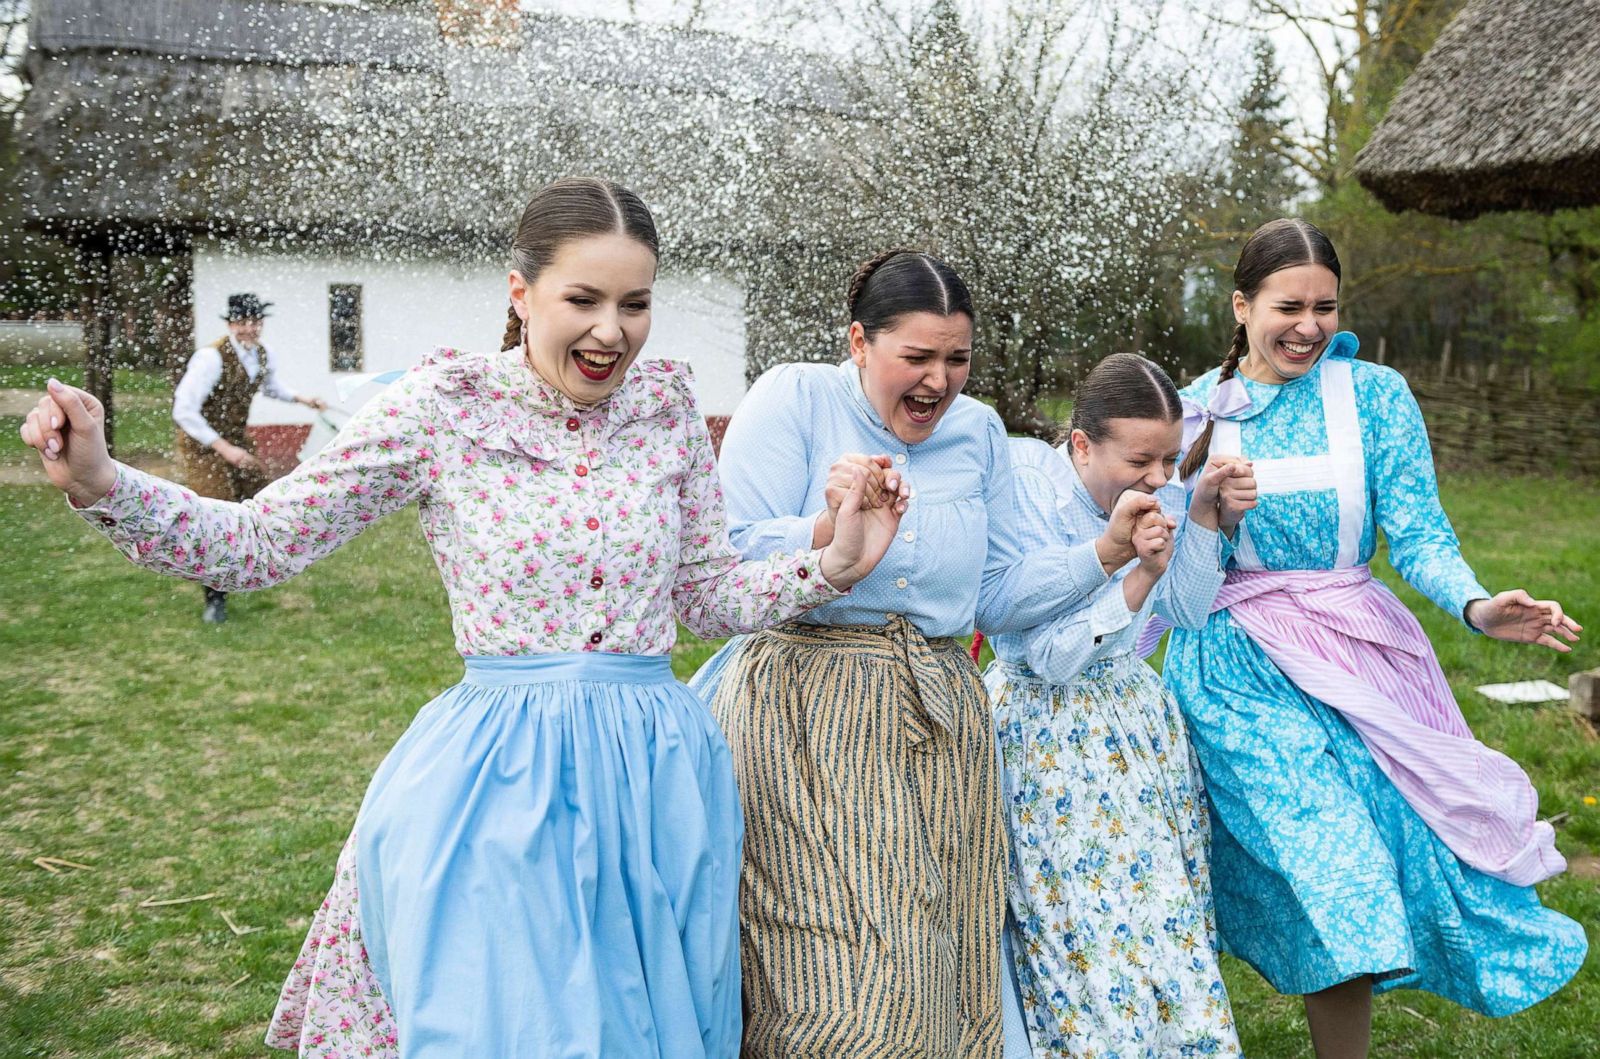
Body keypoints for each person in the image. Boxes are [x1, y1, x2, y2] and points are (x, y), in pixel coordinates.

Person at [18, 177, 902, 1058]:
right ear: (520, 294)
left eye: (636, 303)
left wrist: (832, 562)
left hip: (662, 785)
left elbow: (707, 593)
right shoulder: (440, 409)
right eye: (583, 299)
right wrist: (104, 484)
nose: (613, 331)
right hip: (501, 789)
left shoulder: (666, 408)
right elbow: (261, 543)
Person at [691, 249, 1152, 1058]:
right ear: (859, 341)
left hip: (941, 719)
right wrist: (832, 528)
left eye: (958, 358)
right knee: (847, 970)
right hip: (807, 708)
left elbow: (995, 597)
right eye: (917, 356)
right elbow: (723, 556)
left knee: (945, 963)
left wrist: (1104, 555)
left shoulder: (977, 434)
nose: (939, 380)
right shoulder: (795, 399)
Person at [1163, 218, 1587, 1058]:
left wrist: (1475, 606)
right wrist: (1207, 518)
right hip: (1239, 671)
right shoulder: (1193, 414)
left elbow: (1421, 533)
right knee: (1337, 873)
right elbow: (1174, 581)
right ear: (1241, 305)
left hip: (1357, 657)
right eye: (1289, 306)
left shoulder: (1376, 396)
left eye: (1326, 306)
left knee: (1374, 871)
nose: (1309, 326)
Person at [981, 353, 1252, 1057]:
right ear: (1081, 446)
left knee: (1159, 907)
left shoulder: (1160, 495)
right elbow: (1045, 656)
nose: (1158, 476)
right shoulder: (1031, 505)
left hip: (1133, 729)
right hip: (1048, 737)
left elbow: (1189, 610)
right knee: (1080, 919)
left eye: (1169, 457)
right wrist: (1131, 580)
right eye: (1141, 459)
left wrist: (1202, 519)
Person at [173, 292, 330, 623]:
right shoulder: (210, 358)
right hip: (203, 443)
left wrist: (304, 400)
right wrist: (224, 449)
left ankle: (253, 568)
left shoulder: (262, 354)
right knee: (215, 514)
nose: (249, 328)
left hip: (236, 437)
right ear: (231, 324)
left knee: (261, 497)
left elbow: (271, 387)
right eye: (242, 323)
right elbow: (183, 410)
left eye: (255, 322)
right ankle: (214, 598)